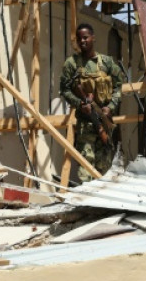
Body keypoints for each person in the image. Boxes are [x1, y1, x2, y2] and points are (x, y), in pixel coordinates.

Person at [60, 23, 124, 182]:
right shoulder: (72, 64)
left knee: (104, 169)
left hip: (104, 120)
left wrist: (110, 107)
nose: (82, 41)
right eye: (79, 39)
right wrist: (80, 104)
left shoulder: (107, 62)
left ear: (93, 38)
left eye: (86, 37)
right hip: (85, 124)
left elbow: (118, 86)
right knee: (85, 169)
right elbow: (65, 90)